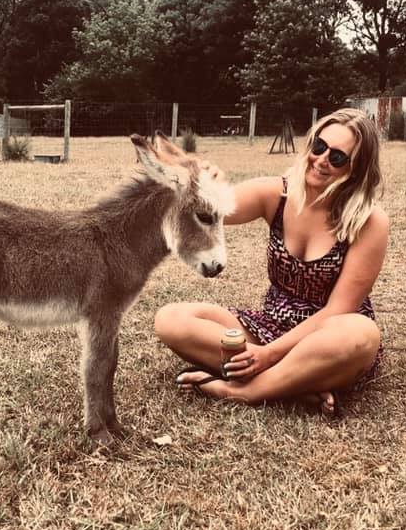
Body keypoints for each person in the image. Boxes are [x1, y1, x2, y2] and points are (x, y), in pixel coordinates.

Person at [154, 108, 388, 414]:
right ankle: (296, 384)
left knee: (362, 334)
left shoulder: (370, 221)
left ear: (356, 170)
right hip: (269, 326)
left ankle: (245, 392)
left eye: (337, 157)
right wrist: (207, 180)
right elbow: (216, 208)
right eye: (319, 146)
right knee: (171, 319)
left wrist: (268, 355)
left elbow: (338, 309)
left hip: (327, 338)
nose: (321, 159)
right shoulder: (276, 194)